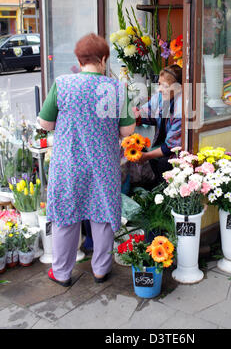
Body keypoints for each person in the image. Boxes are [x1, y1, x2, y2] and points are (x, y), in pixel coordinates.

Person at [38, 33, 135, 286]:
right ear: (103, 59)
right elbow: (127, 132)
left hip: (68, 164)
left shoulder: (63, 83)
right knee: (102, 216)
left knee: (65, 218)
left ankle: (61, 273)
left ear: (79, 60)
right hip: (103, 164)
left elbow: (45, 123)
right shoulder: (116, 88)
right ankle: (101, 270)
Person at [133, 64, 182, 186]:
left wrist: (146, 156)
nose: (159, 89)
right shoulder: (161, 96)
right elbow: (148, 112)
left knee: (163, 163)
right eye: (159, 84)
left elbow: (170, 147)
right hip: (165, 144)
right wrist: (136, 115)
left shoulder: (182, 109)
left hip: (179, 151)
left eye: (165, 86)